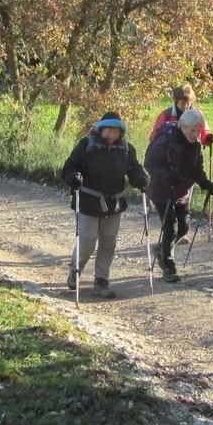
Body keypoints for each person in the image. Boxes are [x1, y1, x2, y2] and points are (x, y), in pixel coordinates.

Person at [61, 111, 148, 298]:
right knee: (87, 242)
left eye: (115, 131)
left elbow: (134, 169)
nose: (111, 134)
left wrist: (140, 179)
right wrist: (73, 177)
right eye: (108, 130)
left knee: (108, 243)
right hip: (88, 201)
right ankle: (75, 270)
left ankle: (101, 280)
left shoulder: (126, 148)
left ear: (120, 132)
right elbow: (69, 166)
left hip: (114, 202)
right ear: (100, 129)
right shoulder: (87, 145)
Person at [144, 108, 213, 282]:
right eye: (192, 130)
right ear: (183, 127)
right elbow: (149, 163)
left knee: (184, 227)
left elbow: (196, 168)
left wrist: (204, 183)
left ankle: (163, 249)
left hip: (181, 191)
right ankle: (168, 266)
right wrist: (167, 177)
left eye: (198, 130)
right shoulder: (166, 140)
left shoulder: (196, 144)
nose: (195, 134)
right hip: (162, 190)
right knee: (170, 226)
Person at [149, 84, 213, 146]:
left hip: (192, 150)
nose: (185, 106)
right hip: (171, 152)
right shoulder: (166, 115)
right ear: (176, 101)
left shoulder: (197, 114)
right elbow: (154, 137)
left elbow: (204, 131)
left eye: (188, 103)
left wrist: (208, 138)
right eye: (183, 103)